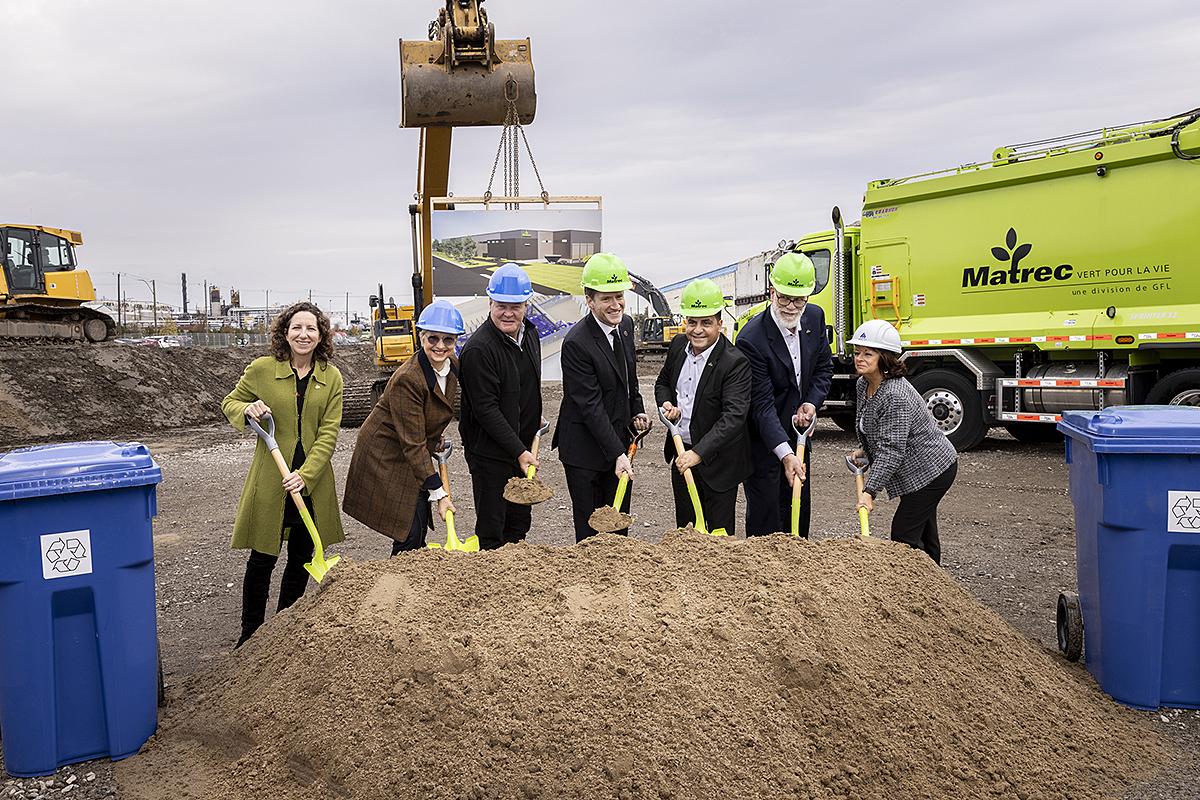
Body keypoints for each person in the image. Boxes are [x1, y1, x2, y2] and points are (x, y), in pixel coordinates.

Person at [220, 301, 344, 647]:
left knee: (302, 556)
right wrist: (248, 408)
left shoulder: (330, 377)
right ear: (285, 333)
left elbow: (329, 432)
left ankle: (282, 628)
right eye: (297, 328)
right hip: (272, 479)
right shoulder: (262, 369)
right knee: (263, 556)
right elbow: (229, 403)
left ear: (321, 336)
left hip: (311, 481)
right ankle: (250, 634)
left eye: (311, 329)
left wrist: (306, 475)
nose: (304, 335)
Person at [342, 300, 464, 554]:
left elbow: (431, 410)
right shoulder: (408, 378)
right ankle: (395, 588)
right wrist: (440, 495)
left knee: (416, 527)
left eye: (448, 340)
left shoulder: (452, 367)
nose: (440, 346)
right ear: (421, 337)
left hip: (411, 449)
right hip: (385, 455)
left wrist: (435, 435)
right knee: (407, 530)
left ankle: (409, 583)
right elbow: (412, 443)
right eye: (433, 338)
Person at [735, 252, 834, 538]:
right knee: (767, 516)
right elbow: (761, 406)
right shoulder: (751, 339)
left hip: (799, 434)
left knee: (797, 509)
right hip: (765, 442)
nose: (791, 306)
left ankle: (797, 575)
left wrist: (811, 403)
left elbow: (823, 368)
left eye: (799, 299)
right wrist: (785, 454)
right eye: (784, 298)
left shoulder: (814, 318)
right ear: (772, 292)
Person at [553, 253, 650, 542]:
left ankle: (618, 580)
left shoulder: (626, 326)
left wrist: (638, 409)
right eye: (606, 298)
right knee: (592, 530)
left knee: (618, 524)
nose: (616, 304)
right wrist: (618, 453)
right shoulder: (576, 344)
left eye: (619, 296)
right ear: (590, 299)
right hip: (584, 450)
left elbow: (629, 378)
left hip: (617, 442)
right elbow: (590, 406)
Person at [849, 319, 958, 564]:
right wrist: (865, 449)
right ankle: (933, 582)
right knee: (924, 531)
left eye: (868, 353)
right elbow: (872, 426)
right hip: (917, 471)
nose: (860, 358)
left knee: (904, 534)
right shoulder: (863, 384)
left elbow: (892, 450)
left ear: (885, 358)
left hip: (932, 470)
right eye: (857, 352)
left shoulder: (895, 394)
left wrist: (869, 492)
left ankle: (912, 585)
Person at [655, 279, 752, 536]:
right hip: (681, 452)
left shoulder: (735, 363)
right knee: (686, 533)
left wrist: (698, 453)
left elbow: (733, 417)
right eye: (692, 322)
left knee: (719, 539)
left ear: (720, 324)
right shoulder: (677, 346)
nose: (698, 330)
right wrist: (666, 403)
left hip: (718, 462)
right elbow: (663, 382)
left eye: (706, 322)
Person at [458, 263, 543, 550]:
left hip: (521, 448)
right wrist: (519, 450)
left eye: (516, 306)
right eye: (501, 306)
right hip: (491, 455)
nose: (508, 313)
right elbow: (485, 410)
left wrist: (533, 417)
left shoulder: (529, 335)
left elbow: (527, 384)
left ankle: (514, 586)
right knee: (494, 528)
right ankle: (491, 587)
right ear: (490, 303)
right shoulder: (479, 349)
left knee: (519, 523)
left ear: (525, 305)